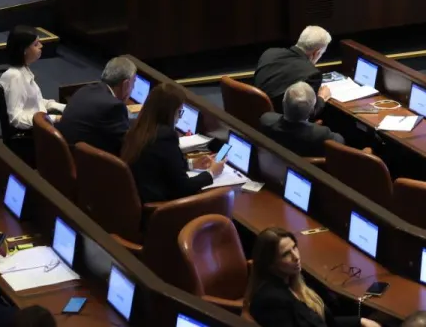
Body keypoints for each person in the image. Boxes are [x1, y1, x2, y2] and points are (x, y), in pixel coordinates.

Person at [245, 226, 381, 327]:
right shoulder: (271, 302)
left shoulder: (295, 282)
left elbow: (326, 322)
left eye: (295, 247)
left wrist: (360, 321)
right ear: (270, 263)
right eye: (286, 254)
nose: (296, 257)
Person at [120, 81, 224, 203]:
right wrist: (211, 173)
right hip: (160, 207)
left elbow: (161, 164)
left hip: (137, 199)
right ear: (170, 113)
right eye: (179, 112)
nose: (179, 118)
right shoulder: (165, 137)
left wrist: (192, 164)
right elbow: (183, 187)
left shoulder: (138, 127)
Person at [57, 56, 137, 155]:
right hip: (81, 163)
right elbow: (126, 145)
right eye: (133, 84)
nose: (133, 88)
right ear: (126, 84)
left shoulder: (85, 89)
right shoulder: (114, 107)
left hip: (62, 155)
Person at [0, 26, 64, 130]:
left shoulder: (23, 70)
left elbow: (35, 102)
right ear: (24, 50)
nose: (41, 46)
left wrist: (64, 108)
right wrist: (52, 118)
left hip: (40, 123)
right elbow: (16, 118)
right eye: (36, 44)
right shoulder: (15, 77)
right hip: (32, 134)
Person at [255, 27, 332, 112]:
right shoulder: (312, 74)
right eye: (322, 53)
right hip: (280, 120)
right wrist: (322, 98)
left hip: (253, 111)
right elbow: (307, 114)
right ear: (316, 53)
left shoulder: (269, 53)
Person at [259, 84, 343, 157]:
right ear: (312, 110)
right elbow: (340, 141)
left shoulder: (266, 120)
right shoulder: (321, 134)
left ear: (283, 102)